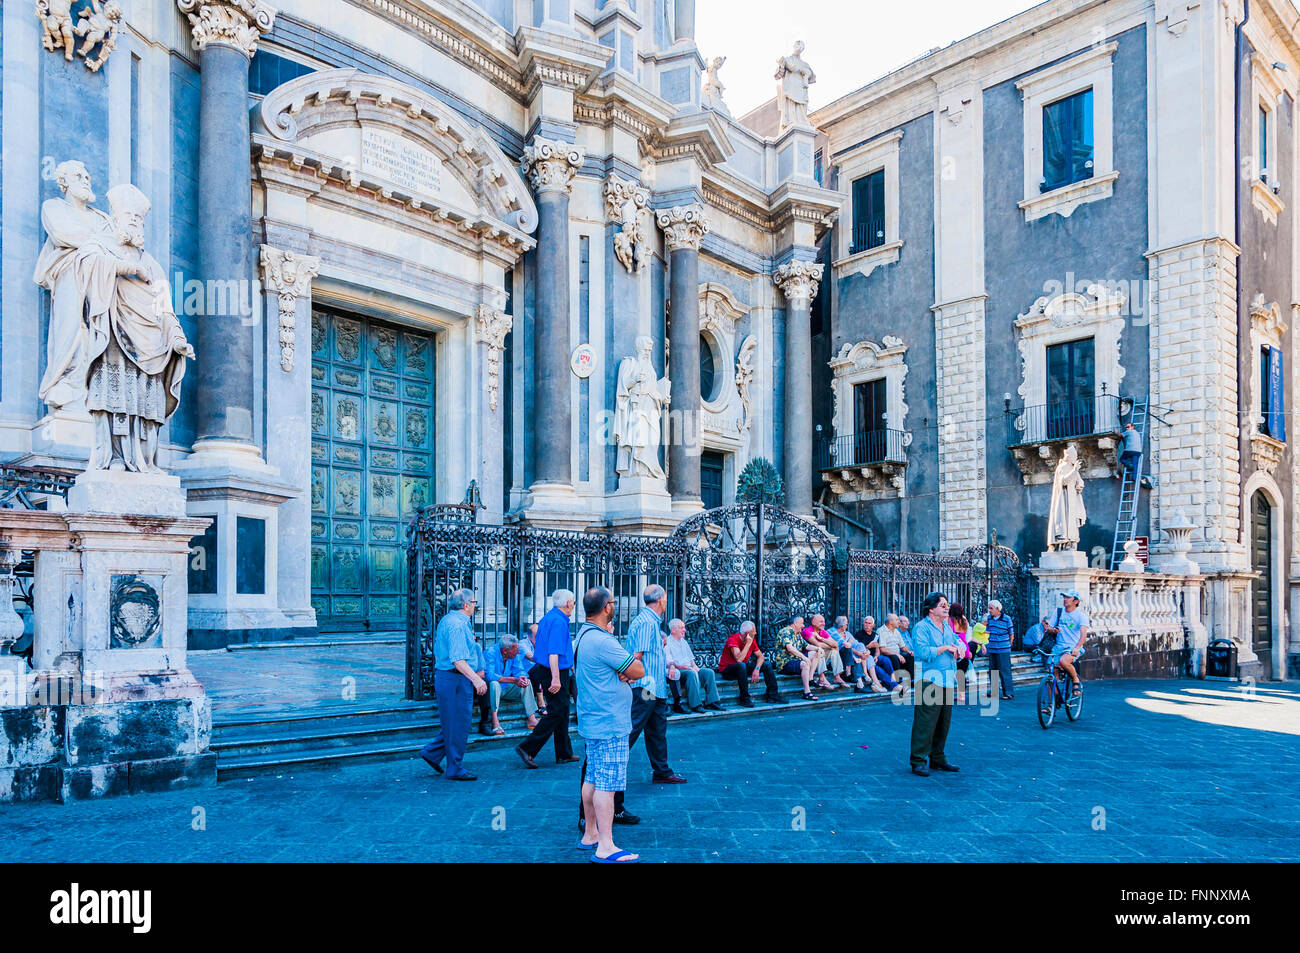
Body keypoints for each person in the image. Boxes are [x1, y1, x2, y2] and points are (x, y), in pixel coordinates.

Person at [575, 586, 646, 863]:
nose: (614, 605)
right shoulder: (604, 641)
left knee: (592, 778)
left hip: (593, 718)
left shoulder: (582, 635)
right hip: (609, 721)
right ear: (607, 607)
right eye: (614, 602)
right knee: (608, 783)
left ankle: (590, 833)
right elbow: (637, 669)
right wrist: (626, 671)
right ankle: (606, 845)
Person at [419, 589, 487, 781]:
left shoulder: (452, 621)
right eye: (474, 602)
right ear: (466, 605)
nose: (476, 605)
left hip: (451, 678)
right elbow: (458, 659)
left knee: (454, 723)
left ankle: (432, 753)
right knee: (459, 724)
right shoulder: (457, 625)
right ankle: (454, 767)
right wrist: (476, 678)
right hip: (455, 678)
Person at [625, 584, 687, 789]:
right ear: (660, 599)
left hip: (656, 686)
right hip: (646, 687)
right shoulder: (646, 622)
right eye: (666, 597)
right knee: (634, 727)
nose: (667, 601)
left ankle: (662, 771)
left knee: (657, 729)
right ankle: (613, 763)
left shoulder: (650, 621)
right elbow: (637, 655)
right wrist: (630, 677)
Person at [516, 589, 581, 768]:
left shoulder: (548, 618)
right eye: (573, 603)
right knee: (557, 711)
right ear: (568, 603)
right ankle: (527, 748)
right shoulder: (559, 621)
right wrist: (556, 678)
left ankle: (564, 752)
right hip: (554, 670)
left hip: (547, 669)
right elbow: (554, 652)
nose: (573, 606)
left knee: (562, 709)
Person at [909, 592, 962, 777]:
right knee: (925, 722)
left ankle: (938, 758)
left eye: (947, 604)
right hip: (929, 680)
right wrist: (945, 648)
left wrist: (959, 650)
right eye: (942, 605)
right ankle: (918, 760)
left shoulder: (947, 626)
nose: (947, 607)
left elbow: (957, 643)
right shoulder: (921, 628)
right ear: (931, 609)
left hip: (947, 679)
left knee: (943, 723)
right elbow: (922, 652)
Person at [717, 621, 785, 707]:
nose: (756, 633)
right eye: (754, 631)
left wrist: (757, 669)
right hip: (728, 671)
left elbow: (761, 657)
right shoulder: (733, 639)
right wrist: (748, 644)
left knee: (766, 664)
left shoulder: (752, 640)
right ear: (747, 633)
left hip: (742, 670)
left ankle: (773, 696)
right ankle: (744, 699)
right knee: (741, 665)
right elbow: (739, 659)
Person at [484, 634, 539, 734]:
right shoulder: (491, 652)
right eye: (515, 650)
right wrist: (514, 680)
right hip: (492, 692)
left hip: (507, 689)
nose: (518, 652)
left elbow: (519, 670)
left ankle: (531, 719)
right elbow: (489, 675)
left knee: (527, 682)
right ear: (505, 650)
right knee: (494, 684)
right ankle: (495, 721)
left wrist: (523, 678)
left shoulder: (514, 654)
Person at [664, 618, 722, 713]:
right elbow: (668, 663)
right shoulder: (668, 642)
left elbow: (691, 660)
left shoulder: (684, 642)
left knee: (709, 672)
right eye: (681, 628)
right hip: (679, 671)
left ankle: (712, 702)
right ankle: (696, 704)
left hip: (689, 668)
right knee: (690, 673)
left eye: (684, 627)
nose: (685, 630)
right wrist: (684, 668)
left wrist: (695, 667)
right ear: (673, 630)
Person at [1041, 590, 1090, 690]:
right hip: (1059, 647)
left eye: (1068, 598)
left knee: (1063, 661)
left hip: (1073, 647)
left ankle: (1075, 679)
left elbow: (1083, 634)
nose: (1065, 599)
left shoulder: (1081, 616)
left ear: (1075, 601)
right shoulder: (1058, 612)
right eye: (1064, 597)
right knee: (1051, 675)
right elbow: (1049, 629)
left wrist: (1077, 648)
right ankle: (1052, 703)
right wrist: (1053, 630)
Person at [774, 616, 820, 701]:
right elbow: (790, 648)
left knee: (815, 653)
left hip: (795, 660)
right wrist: (804, 657)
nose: (803, 626)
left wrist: (818, 649)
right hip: (785, 663)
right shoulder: (785, 631)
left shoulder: (797, 634)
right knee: (804, 664)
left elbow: (806, 646)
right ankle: (807, 692)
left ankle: (810, 679)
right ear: (795, 623)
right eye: (802, 623)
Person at [804, 614, 849, 689]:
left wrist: (821, 638)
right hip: (810, 662)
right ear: (813, 622)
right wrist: (829, 645)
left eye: (824, 621)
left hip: (820, 661)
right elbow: (817, 645)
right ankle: (822, 678)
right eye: (821, 621)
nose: (824, 624)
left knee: (834, 650)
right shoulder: (807, 631)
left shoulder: (822, 632)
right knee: (820, 650)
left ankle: (837, 676)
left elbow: (835, 644)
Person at [983, 600, 1016, 700]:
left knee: (1005, 671)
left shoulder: (1007, 619)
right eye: (989, 608)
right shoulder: (989, 618)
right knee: (993, 671)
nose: (989, 610)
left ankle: (1008, 692)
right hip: (992, 649)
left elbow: (1011, 634)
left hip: (1003, 649)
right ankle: (994, 691)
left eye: (991, 608)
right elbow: (988, 631)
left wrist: (1008, 645)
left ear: (998, 609)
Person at [876, 614, 914, 684]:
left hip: (896, 654)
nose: (898, 622)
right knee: (895, 657)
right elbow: (882, 649)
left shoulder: (896, 632)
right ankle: (898, 681)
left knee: (910, 656)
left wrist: (909, 651)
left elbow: (902, 647)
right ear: (890, 622)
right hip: (886, 655)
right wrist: (898, 655)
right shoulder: (881, 631)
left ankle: (911, 680)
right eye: (897, 620)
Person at [949, 602, 973, 704]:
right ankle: (961, 695)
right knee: (962, 671)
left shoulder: (950, 620)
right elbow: (967, 635)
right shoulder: (964, 620)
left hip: (956, 644)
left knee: (956, 669)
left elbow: (949, 633)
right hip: (964, 644)